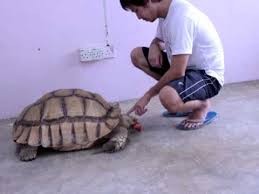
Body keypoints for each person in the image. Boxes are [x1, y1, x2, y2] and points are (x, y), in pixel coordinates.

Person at [120, 0, 224, 130]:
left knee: (167, 97)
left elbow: (177, 71)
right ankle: (185, 100)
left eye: (136, 11)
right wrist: (154, 45)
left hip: (207, 77)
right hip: (186, 69)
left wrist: (147, 95)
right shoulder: (165, 12)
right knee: (137, 55)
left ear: (148, 2)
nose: (139, 17)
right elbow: (160, 39)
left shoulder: (182, 17)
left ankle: (201, 105)